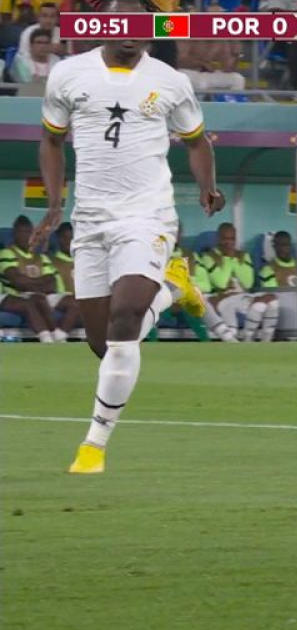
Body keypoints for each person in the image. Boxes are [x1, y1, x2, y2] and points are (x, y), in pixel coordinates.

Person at [34, 0, 222, 475]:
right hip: (90, 219)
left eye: (143, 24)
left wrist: (208, 186)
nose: (132, 32)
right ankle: (175, 288)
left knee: (126, 318)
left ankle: (93, 445)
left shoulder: (170, 81)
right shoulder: (68, 75)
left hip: (147, 214)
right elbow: (51, 140)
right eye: (123, 22)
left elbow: (197, 141)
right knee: (104, 344)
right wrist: (54, 205)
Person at [0, 214, 75, 341]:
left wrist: (28, 283)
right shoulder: (6, 253)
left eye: (30, 232)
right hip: (17, 295)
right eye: (23, 232)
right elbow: (18, 282)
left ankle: (59, 336)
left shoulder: (42, 257)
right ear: (15, 234)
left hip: (42, 295)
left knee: (75, 301)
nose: (27, 236)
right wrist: (38, 282)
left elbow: (51, 284)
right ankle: (48, 339)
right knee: (34, 300)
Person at [254, 230, 297, 342]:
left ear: (290, 246)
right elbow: (273, 295)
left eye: (285, 245)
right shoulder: (268, 269)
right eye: (278, 245)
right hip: (281, 308)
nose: (282, 249)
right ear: (274, 247)